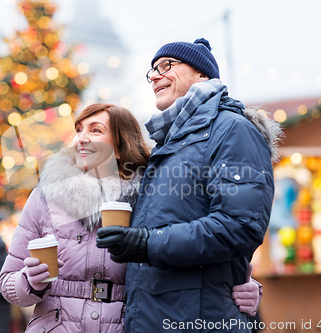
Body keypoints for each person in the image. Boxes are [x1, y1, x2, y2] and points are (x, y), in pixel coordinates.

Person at [0, 103, 261, 333]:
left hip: (130, 324)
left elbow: (188, 248)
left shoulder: (154, 199)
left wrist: (247, 286)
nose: (81, 138)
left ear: (120, 148)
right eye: (79, 129)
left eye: (95, 130)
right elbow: (7, 283)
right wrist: (29, 282)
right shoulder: (45, 197)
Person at [97, 38, 281, 332]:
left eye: (166, 66)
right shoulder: (168, 144)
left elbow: (239, 226)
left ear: (202, 75)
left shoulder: (232, 130)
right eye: (152, 71)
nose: (155, 76)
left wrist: (147, 242)